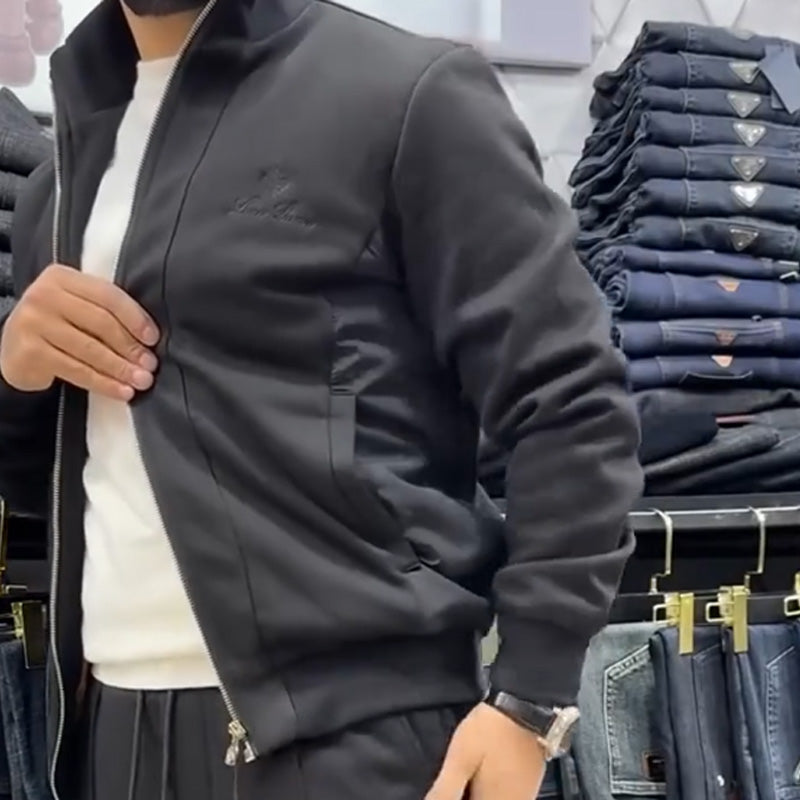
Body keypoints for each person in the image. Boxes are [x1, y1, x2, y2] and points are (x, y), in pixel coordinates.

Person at [0, 0, 643, 798]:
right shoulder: (62, 180)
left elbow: (570, 395)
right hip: (114, 730)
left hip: (358, 738)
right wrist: (16, 375)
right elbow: (50, 487)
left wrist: (529, 700)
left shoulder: (402, 98)